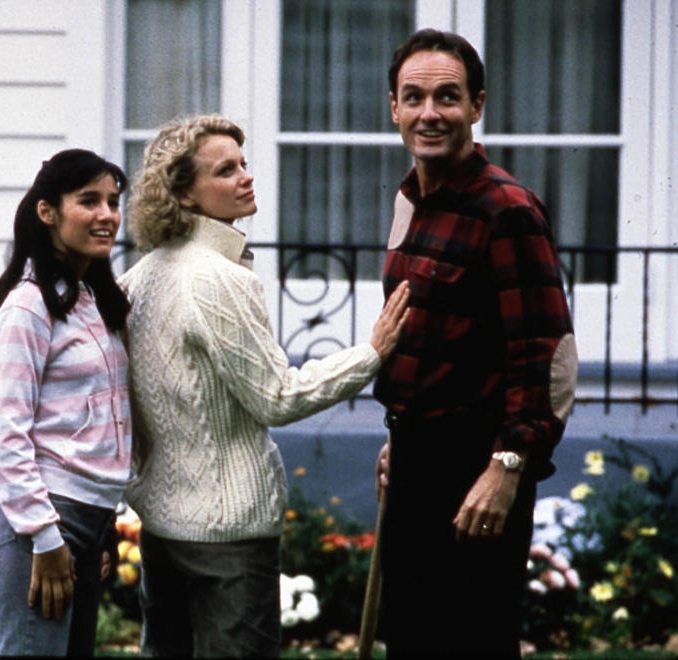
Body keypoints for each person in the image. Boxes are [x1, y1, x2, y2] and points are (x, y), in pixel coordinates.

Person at [119, 113, 410, 658]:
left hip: (161, 528)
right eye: (225, 170)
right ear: (184, 194)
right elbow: (277, 397)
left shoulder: (138, 277)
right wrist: (372, 354)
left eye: (243, 163)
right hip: (228, 535)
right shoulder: (220, 280)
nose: (246, 177)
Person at [371, 29, 578, 658]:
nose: (429, 113)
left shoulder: (506, 210)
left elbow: (547, 358)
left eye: (448, 97)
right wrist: (396, 438)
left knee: (471, 642)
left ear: (477, 104)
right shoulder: (411, 198)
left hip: (477, 469)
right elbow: (426, 336)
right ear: (394, 107)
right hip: (414, 458)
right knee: (410, 640)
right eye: (414, 97)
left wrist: (506, 468)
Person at [0, 149, 133, 656]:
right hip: (40, 525)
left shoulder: (90, 298)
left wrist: (104, 523)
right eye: (88, 201)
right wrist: (45, 539)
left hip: (87, 522)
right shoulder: (28, 306)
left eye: (113, 202)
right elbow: (7, 435)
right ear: (47, 211)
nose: (106, 215)